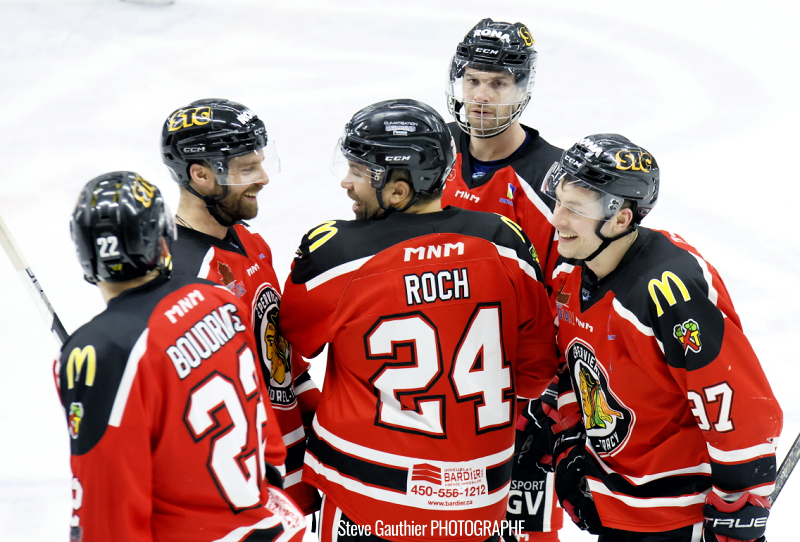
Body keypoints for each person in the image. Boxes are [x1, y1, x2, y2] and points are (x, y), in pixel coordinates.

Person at [279, 98, 560, 542]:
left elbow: (289, 343)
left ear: (397, 190)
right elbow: (534, 374)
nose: (346, 182)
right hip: (478, 505)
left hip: (366, 497)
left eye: (358, 171)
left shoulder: (335, 254)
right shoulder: (505, 242)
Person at [544, 134, 782, 541]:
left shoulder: (669, 290)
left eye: (575, 209)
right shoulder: (570, 273)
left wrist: (740, 502)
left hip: (680, 514)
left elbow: (735, 401)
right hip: (616, 506)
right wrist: (570, 442)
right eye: (559, 201)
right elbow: (571, 369)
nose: (556, 219)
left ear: (621, 219)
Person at [56, 171, 305, 542]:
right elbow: (265, 437)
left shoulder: (98, 351)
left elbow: (107, 507)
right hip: (270, 526)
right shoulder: (218, 298)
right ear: (163, 238)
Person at [161, 98, 321, 515]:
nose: (263, 178)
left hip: (295, 465)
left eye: (262, 163)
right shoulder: (183, 280)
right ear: (201, 175)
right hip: (245, 487)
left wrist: (319, 421)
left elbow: (279, 355)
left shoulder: (249, 241)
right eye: (247, 169)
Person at [442, 18, 565, 540]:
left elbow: (569, 300)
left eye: (498, 83)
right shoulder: (431, 153)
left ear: (523, 88)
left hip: (518, 399)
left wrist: (554, 403)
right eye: (472, 80)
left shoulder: (554, 181)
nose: (481, 95)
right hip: (429, 389)